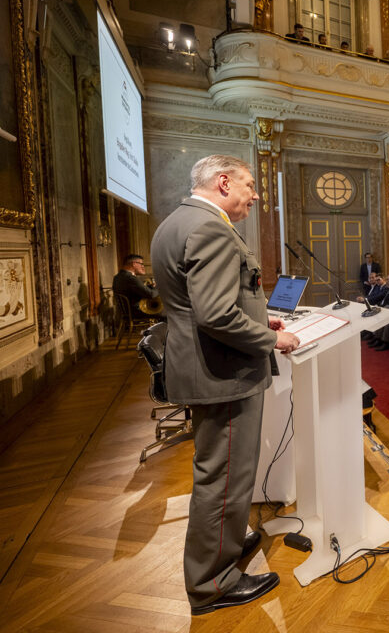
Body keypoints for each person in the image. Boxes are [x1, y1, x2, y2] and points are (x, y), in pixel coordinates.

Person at [150, 154, 300, 615]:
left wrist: (260, 315)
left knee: (224, 473)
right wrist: (271, 337)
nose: (255, 195)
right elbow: (214, 314)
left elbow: (211, 302)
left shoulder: (177, 222)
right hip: (223, 373)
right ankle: (213, 582)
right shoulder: (211, 228)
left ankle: (227, 545)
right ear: (222, 182)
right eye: (249, 185)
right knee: (224, 478)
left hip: (208, 365)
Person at [112, 253, 159, 320]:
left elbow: (132, 290)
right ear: (134, 264)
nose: (143, 266)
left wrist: (150, 286)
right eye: (141, 264)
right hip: (137, 312)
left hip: (127, 312)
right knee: (167, 312)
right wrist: (158, 287)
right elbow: (151, 295)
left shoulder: (118, 277)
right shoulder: (131, 278)